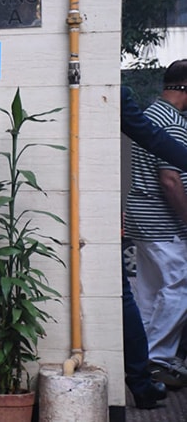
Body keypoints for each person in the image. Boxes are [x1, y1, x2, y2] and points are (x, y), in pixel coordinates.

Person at [123, 60, 187, 395]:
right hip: (163, 223)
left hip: (142, 218)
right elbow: (171, 180)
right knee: (180, 286)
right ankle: (157, 359)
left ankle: (139, 358)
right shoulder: (172, 123)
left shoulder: (151, 112)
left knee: (148, 292)